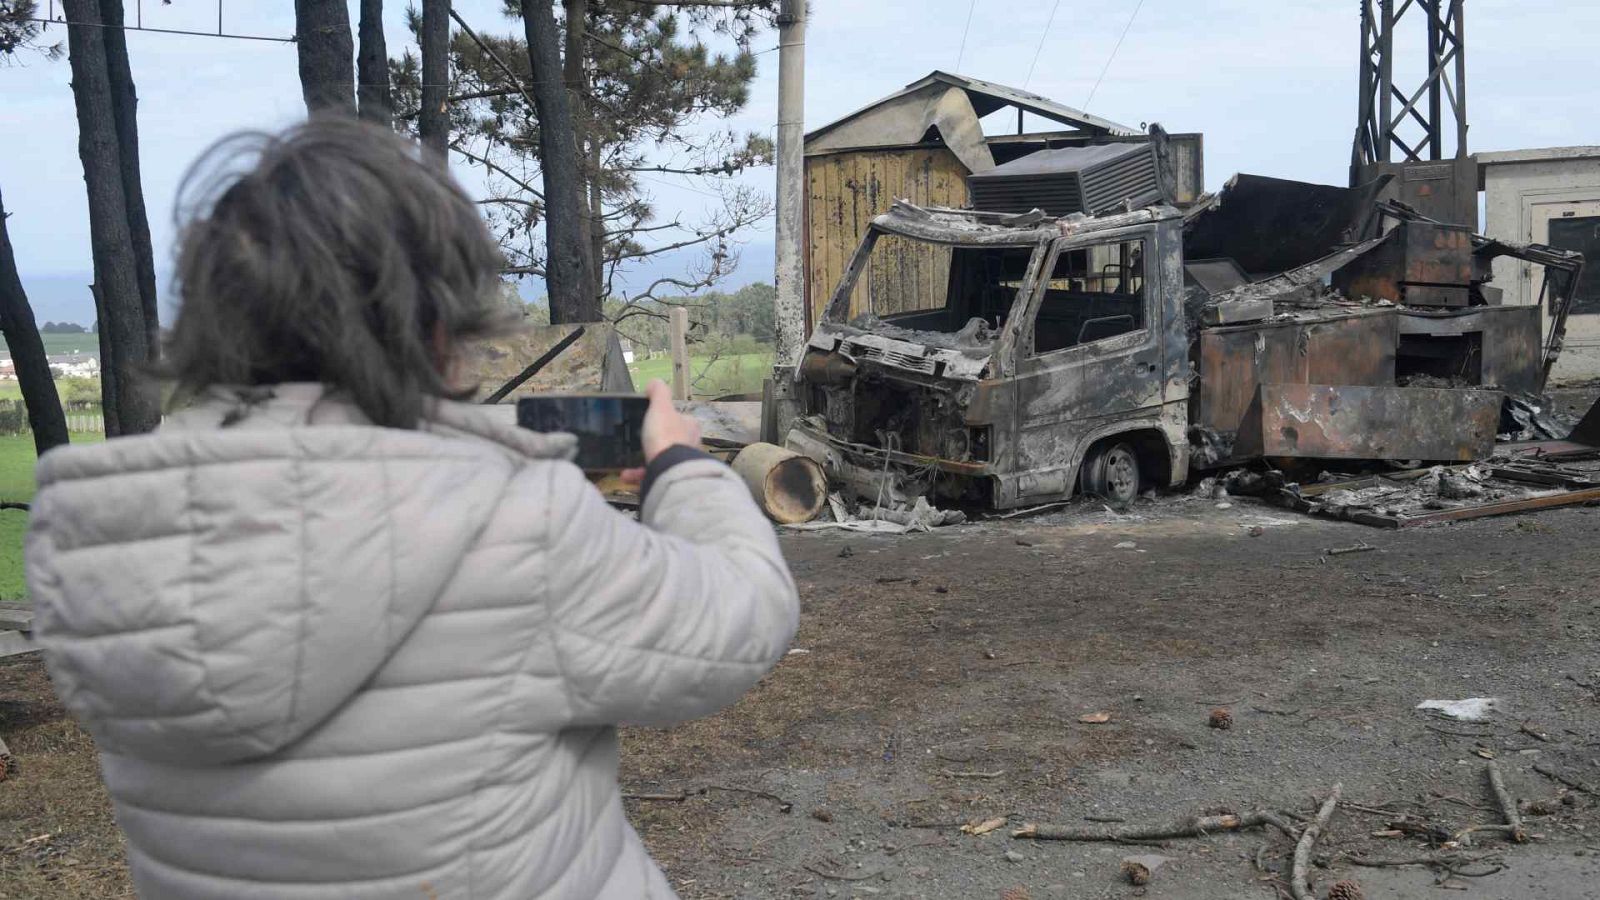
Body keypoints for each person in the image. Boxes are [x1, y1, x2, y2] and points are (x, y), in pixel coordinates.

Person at [24, 119, 799, 900]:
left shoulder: (105, 544)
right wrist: (681, 467)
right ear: (435, 324)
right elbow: (741, 618)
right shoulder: (518, 522)